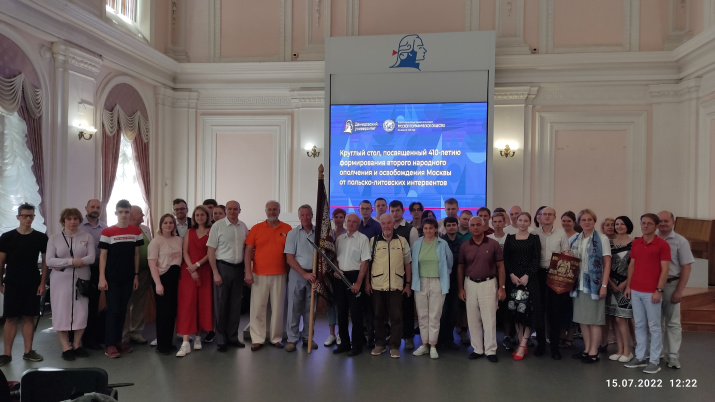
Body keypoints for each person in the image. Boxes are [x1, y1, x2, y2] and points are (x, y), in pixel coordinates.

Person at [0, 203, 48, 366]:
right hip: (12, 282)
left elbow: (46, 262)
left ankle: (28, 351)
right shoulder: (6, 237)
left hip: (32, 282)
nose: (28, 219)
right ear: (18, 217)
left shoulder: (41, 237)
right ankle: (6, 354)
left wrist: (42, 283)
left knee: (29, 317)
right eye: (25, 216)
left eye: (31, 216)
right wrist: (0, 282)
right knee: (10, 318)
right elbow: (0, 262)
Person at [624, 213, 670, 374]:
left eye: (649, 223)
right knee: (639, 324)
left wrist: (659, 290)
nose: (645, 226)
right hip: (636, 290)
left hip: (652, 292)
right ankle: (640, 356)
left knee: (655, 326)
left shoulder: (662, 245)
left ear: (656, 226)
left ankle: (654, 360)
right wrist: (628, 286)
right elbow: (632, 266)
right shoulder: (636, 243)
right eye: (643, 223)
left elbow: (665, 269)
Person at [47, 208, 95, 361]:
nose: (72, 222)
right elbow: (49, 261)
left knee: (81, 313)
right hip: (60, 282)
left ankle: (76, 344)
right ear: (63, 221)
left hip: (82, 280)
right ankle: (65, 347)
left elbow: (91, 258)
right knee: (61, 312)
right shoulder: (54, 238)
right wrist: (72, 262)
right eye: (69, 219)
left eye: (75, 219)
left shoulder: (87, 236)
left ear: (80, 221)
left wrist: (63, 263)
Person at [98, 199, 144, 359]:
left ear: (130, 213)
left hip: (128, 277)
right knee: (113, 310)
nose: (124, 215)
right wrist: (102, 277)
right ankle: (109, 345)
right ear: (116, 213)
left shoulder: (136, 231)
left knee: (123, 310)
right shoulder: (107, 232)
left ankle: (118, 341)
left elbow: (136, 255)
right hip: (111, 278)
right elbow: (103, 256)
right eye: (121, 212)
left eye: (126, 212)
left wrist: (136, 275)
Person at [244, 201, 292, 351]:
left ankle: (276, 338)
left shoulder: (287, 228)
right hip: (259, 274)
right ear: (265, 211)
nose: (272, 212)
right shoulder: (256, 228)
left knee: (278, 308)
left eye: (275, 209)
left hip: (280, 273)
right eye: (269, 209)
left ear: (279, 211)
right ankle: (257, 339)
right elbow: (248, 251)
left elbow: (290, 252)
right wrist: (247, 272)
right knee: (258, 307)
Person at [458, 216, 506, 362]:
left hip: (488, 283)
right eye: (472, 225)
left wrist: (502, 287)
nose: (475, 227)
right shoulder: (465, 246)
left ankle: (491, 350)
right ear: (469, 227)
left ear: (484, 226)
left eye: (478, 224)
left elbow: (500, 266)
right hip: (470, 284)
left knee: (489, 318)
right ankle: (477, 349)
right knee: (473, 318)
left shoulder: (493, 244)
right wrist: (460, 288)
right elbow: (461, 267)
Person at [569, 209, 611, 364]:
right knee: (583, 320)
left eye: (589, 219)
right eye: (583, 220)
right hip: (578, 285)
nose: (586, 222)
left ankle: (594, 351)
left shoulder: (602, 239)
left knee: (594, 320)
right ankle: (587, 348)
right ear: (579, 222)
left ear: (594, 221)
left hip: (595, 285)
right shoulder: (575, 239)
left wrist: (604, 285)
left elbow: (607, 263)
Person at [367, 214, 411, 358]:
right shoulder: (373, 241)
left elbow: (407, 263)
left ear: (393, 224)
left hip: (396, 286)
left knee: (396, 317)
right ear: (380, 225)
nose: (386, 226)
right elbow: (368, 264)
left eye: (389, 223)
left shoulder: (402, 241)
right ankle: (380, 344)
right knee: (378, 316)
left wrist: (408, 284)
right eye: (383, 223)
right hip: (377, 285)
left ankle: (394, 346)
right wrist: (367, 283)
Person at [207, 200, 248, 351]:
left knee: (235, 305)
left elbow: (246, 250)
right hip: (222, 268)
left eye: (235, 209)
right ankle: (221, 339)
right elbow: (211, 251)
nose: (232, 211)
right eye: (229, 209)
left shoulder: (243, 226)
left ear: (239, 210)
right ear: (226, 210)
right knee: (221, 305)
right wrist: (215, 272)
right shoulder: (217, 226)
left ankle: (233, 337)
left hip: (238, 269)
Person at [656, 210, 694, 369]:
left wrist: (679, 291)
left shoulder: (680, 241)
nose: (663, 224)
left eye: (666, 221)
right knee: (655, 323)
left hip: (671, 285)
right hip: (653, 287)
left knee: (672, 323)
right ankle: (656, 354)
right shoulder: (651, 238)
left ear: (673, 222)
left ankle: (672, 356)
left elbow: (686, 267)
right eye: (660, 221)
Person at [411, 218, 453, 359]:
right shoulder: (417, 244)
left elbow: (449, 262)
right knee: (422, 315)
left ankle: (433, 345)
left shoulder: (442, 244)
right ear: (422, 229)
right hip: (420, 282)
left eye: (431, 228)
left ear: (436, 229)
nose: (428, 231)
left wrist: (444, 275)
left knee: (435, 314)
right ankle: (424, 344)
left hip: (437, 282)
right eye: (425, 228)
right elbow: (413, 262)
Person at [176, 206, 214, 355]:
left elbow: (211, 252)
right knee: (187, 304)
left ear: (207, 216)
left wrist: (197, 265)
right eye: (197, 215)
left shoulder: (211, 231)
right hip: (188, 271)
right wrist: (191, 268)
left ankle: (198, 337)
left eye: (202, 215)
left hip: (205, 270)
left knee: (202, 304)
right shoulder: (189, 232)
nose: (199, 217)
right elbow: (185, 251)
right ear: (194, 217)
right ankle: (185, 342)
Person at [504, 212, 542, 361]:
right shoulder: (510, 238)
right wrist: (511, 275)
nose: (522, 223)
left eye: (526, 221)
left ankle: (523, 344)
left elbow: (536, 259)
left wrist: (527, 275)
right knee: (517, 311)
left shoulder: (534, 238)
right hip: (514, 280)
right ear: (516, 221)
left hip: (529, 280)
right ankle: (521, 342)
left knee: (528, 312)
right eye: (520, 220)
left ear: (530, 222)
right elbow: (506, 258)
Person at [332, 213, 370, 356]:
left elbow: (365, 262)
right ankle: (344, 343)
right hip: (340, 278)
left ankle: (357, 345)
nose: (351, 224)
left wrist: (359, 282)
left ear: (358, 224)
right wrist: (336, 270)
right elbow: (334, 258)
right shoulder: (339, 239)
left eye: (354, 222)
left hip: (355, 277)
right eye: (349, 221)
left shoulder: (363, 239)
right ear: (345, 222)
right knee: (341, 312)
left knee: (356, 314)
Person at [535, 207, 569, 359]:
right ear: (539, 217)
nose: (547, 217)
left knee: (555, 312)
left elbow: (566, 253)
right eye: (544, 214)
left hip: (556, 274)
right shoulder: (534, 233)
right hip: (537, 274)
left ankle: (555, 347)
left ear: (554, 217)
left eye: (550, 214)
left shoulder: (561, 234)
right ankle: (541, 345)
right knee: (539, 311)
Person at [284, 204, 319, 352]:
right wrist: (304, 274)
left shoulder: (319, 233)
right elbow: (290, 258)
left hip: (314, 275)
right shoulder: (293, 234)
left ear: (312, 215)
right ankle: (292, 339)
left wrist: (317, 274)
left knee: (311, 309)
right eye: (302, 215)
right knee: (294, 307)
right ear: (299, 217)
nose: (305, 217)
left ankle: (307, 338)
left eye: (308, 214)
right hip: (297, 274)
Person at [148, 214, 183, 356]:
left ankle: (169, 342)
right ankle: (162, 346)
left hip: (175, 279)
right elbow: (152, 264)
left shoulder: (179, 240)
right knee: (163, 313)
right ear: (161, 225)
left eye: (171, 222)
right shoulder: (156, 242)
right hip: (162, 278)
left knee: (172, 312)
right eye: (165, 222)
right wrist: (158, 284)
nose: (168, 225)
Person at [390, 200, 419, 350]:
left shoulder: (411, 230)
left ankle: (408, 337)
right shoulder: (386, 227)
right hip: (389, 275)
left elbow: (414, 256)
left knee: (407, 308)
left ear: (402, 211)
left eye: (397, 211)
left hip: (405, 275)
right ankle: (393, 336)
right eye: (392, 211)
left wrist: (410, 280)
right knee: (392, 308)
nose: (395, 214)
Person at [605, 216, 634, 363]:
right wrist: (610, 283)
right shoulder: (609, 243)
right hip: (611, 285)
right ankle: (620, 350)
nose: (619, 226)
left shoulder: (635, 243)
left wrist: (626, 283)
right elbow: (605, 265)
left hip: (626, 285)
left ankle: (627, 351)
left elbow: (635, 266)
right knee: (614, 319)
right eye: (617, 224)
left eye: (622, 224)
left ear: (628, 226)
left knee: (621, 318)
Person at [123, 205, 152, 345]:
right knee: (125, 304)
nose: (143, 215)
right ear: (132, 215)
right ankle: (123, 334)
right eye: (140, 213)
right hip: (126, 273)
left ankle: (136, 332)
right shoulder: (122, 229)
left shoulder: (145, 229)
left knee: (139, 303)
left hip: (144, 272)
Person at [79, 199, 107, 350]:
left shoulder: (105, 228)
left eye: (98, 207)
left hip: (98, 270)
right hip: (81, 269)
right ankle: (76, 338)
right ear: (86, 208)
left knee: (94, 305)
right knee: (81, 305)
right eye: (92, 207)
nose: (95, 209)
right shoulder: (79, 226)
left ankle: (91, 338)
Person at [437, 216, 462, 350]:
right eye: (449, 225)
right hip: (442, 282)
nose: (451, 227)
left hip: (457, 282)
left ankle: (450, 339)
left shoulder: (462, 243)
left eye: (453, 225)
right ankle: (439, 339)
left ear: (457, 226)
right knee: (443, 311)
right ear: (445, 227)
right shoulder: (440, 242)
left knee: (454, 312)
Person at [325, 208, 347, 347]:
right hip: (329, 273)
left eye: (341, 217)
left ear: (344, 219)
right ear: (333, 218)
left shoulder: (347, 234)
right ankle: (331, 333)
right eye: (336, 217)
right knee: (330, 303)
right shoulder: (329, 235)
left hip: (341, 272)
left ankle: (340, 333)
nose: (338, 219)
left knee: (341, 304)